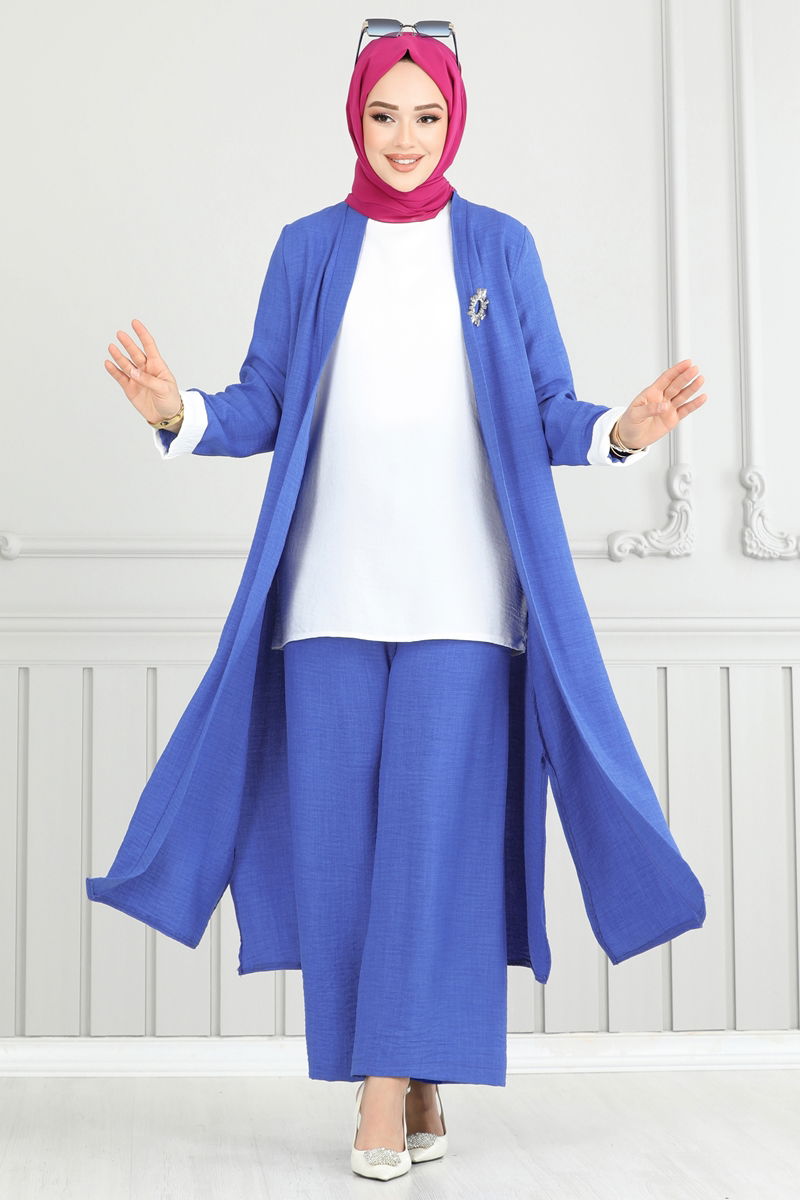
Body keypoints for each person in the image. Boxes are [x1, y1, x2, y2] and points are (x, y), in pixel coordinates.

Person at [96, 21, 708, 1183]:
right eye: (385, 114)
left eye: (426, 116)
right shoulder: (307, 249)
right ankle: (414, 1070)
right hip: (326, 600)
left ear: (454, 120)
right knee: (340, 853)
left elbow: (546, 408)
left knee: (429, 848)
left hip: (462, 607)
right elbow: (262, 403)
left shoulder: (498, 247)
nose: (405, 137)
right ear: (355, 117)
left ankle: (378, 1096)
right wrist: (177, 410)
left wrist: (619, 434)